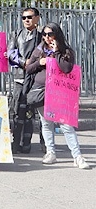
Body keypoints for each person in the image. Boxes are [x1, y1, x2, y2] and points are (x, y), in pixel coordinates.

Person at [25, 22, 89, 169]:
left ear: (57, 35)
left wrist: (57, 52)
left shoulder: (66, 51)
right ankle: (50, 152)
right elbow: (28, 69)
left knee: (66, 125)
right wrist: (40, 63)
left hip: (60, 93)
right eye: (45, 34)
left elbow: (66, 68)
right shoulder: (39, 50)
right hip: (42, 91)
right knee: (46, 124)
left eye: (50, 34)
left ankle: (77, 156)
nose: (47, 37)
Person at [7, 7, 43, 154]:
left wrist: (33, 64)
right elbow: (10, 53)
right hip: (19, 78)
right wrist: (23, 62)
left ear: (37, 18)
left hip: (36, 78)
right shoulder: (16, 34)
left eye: (29, 17)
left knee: (31, 112)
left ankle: (28, 143)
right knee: (17, 111)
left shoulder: (42, 36)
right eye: (24, 18)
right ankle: (15, 143)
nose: (26, 20)